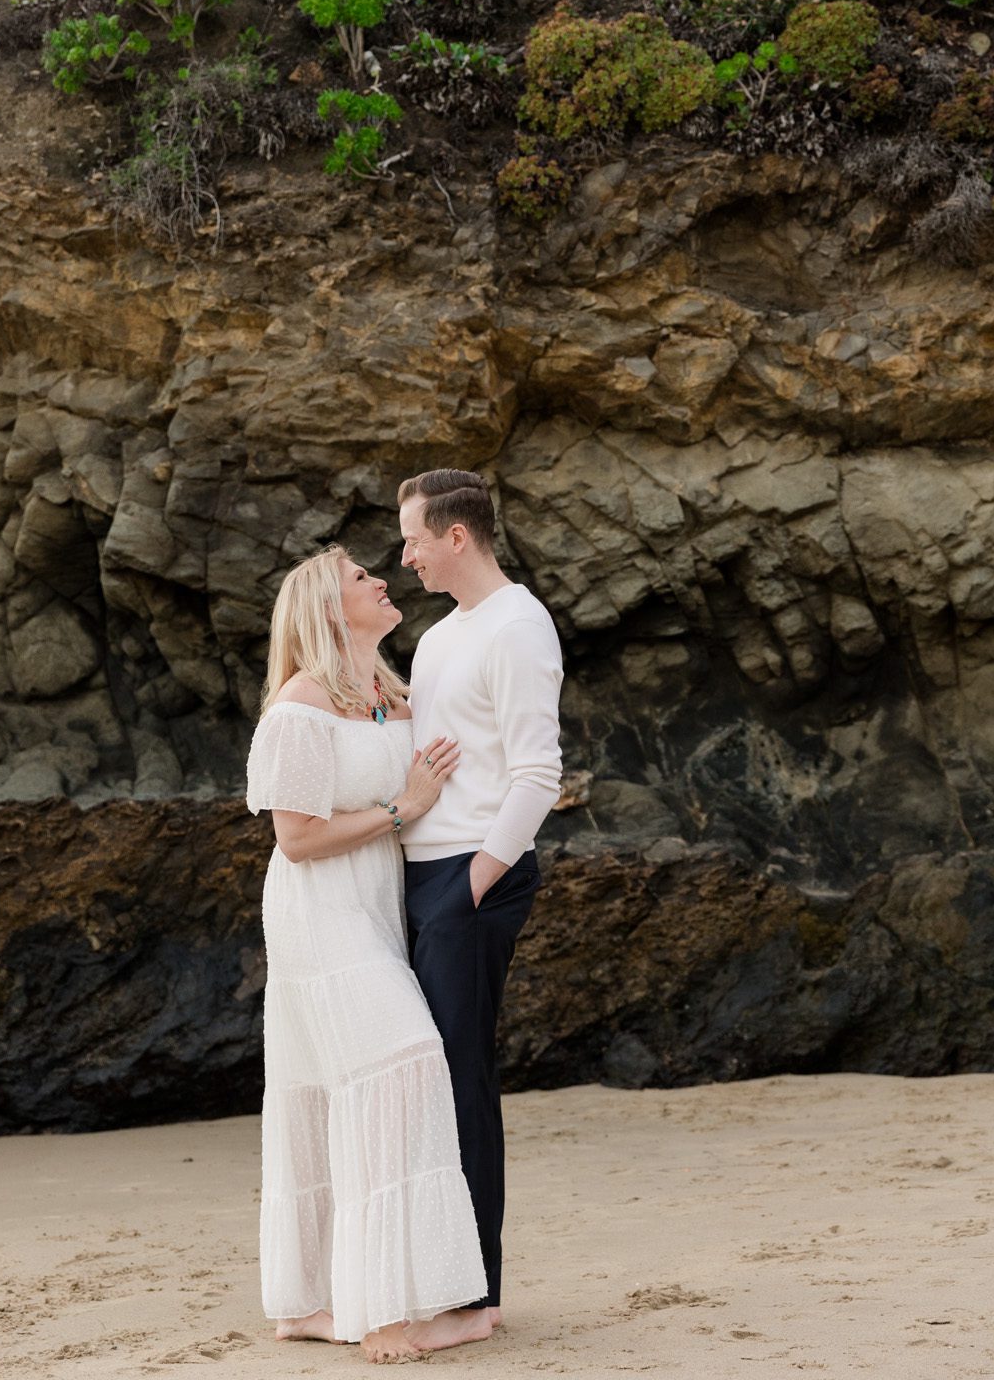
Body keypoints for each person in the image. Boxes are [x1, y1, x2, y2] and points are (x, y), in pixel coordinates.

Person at [245, 543, 488, 1365]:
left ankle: (307, 1301)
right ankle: (380, 1308)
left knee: (326, 1090)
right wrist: (401, 805)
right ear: (324, 608)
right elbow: (297, 837)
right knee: (403, 1065)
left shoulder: (395, 692)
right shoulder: (300, 707)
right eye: (359, 577)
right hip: (319, 914)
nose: (381, 580)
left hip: (381, 907)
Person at [395, 468, 564, 1354]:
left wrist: (472, 886)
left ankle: (475, 1297)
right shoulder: (436, 639)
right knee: (423, 1081)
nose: (406, 555)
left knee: (462, 1081)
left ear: (456, 536)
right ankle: (439, 1277)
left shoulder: (517, 625)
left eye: (414, 538)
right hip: (423, 872)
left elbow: (539, 773)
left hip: (472, 878)